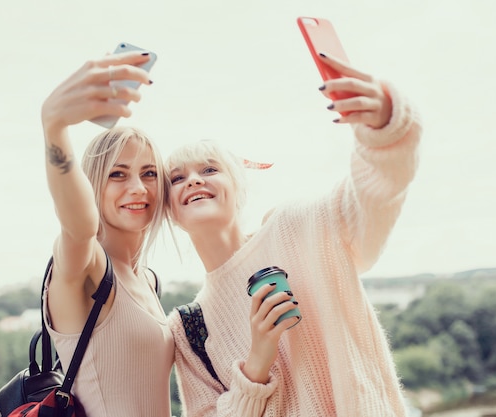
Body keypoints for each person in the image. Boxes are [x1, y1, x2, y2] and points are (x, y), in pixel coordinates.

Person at [166, 52, 422, 416]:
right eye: (177, 178)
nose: (193, 179)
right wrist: (257, 362)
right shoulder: (188, 327)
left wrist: (384, 127)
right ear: (170, 209)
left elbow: (374, 194)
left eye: (209, 169)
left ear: (239, 188)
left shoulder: (296, 227)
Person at [40, 51, 174, 416]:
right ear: (92, 185)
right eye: (118, 174)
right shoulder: (87, 266)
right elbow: (79, 225)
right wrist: (55, 127)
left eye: (148, 173)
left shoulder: (147, 280)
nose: (138, 188)